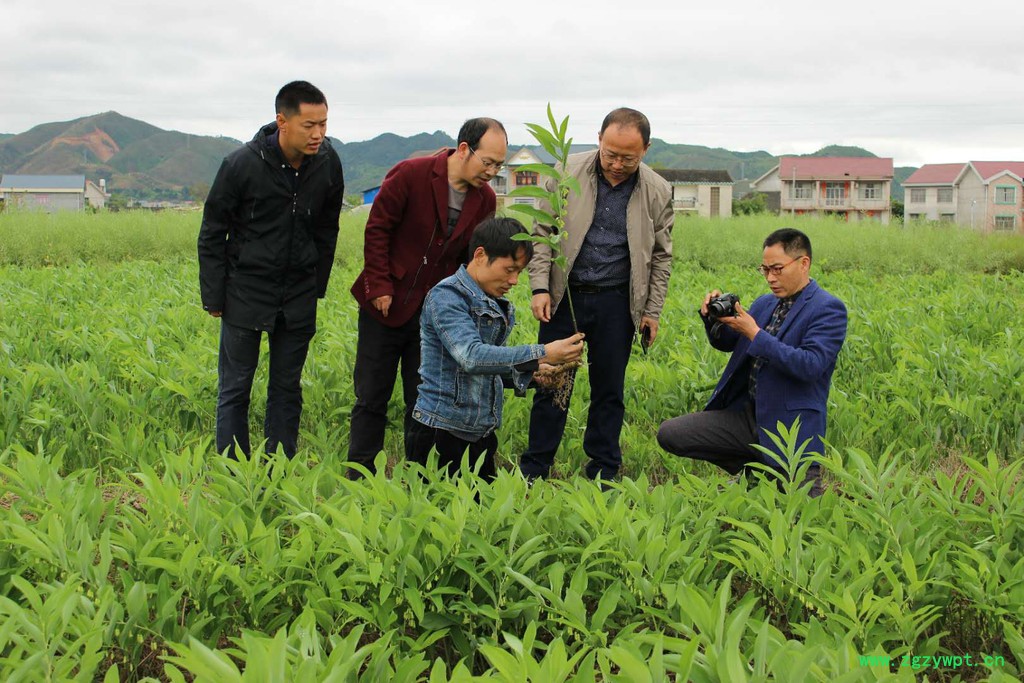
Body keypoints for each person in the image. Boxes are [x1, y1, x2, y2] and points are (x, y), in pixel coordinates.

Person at [519, 108, 674, 481]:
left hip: (617, 301)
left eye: (628, 158)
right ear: (599, 139)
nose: (618, 165)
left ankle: (603, 469)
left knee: (609, 389)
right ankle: (536, 467)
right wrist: (540, 287)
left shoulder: (657, 190)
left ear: (646, 149)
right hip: (565, 297)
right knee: (551, 380)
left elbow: (661, 256)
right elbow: (542, 234)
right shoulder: (565, 172)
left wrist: (651, 311)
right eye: (611, 154)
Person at [348, 118, 507, 475]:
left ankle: (418, 475)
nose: (492, 172)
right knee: (371, 395)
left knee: (423, 397)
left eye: (499, 166)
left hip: (434, 315)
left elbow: (471, 260)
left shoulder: (485, 199)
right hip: (386, 305)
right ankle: (360, 473)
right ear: (464, 149)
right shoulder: (411, 174)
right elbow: (378, 230)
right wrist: (380, 285)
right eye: (488, 162)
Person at [197, 81, 344, 458]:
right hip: (246, 289)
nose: (318, 134)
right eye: (309, 125)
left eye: (323, 124)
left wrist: (316, 285)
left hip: (298, 293)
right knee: (235, 387)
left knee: (286, 387)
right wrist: (214, 295)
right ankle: (234, 471)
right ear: (282, 121)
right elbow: (212, 230)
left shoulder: (328, 162)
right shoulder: (241, 164)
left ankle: (280, 467)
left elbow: (328, 227)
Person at [657, 228, 848, 497]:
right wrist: (713, 319)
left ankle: (764, 474)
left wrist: (755, 333)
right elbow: (729, 343)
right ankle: (755, 468)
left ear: (803, 263)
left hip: (790, 428)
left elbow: (810, 365)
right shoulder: (765, 304)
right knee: (671, 433)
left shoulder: (827, 308)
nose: (770, 278)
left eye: (777, 269)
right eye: (765, 269)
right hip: (747, 417)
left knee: (802, 514)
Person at [408, 217, 585, 480]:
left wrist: (532, 374)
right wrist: (542, 353)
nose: (514, 281)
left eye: (519, 272)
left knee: (481, 506)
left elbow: (488, 368)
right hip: (441, 431)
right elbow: (472, 357)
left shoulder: (493, 303)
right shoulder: (446, 297)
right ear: (480, 255)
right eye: (509, 269)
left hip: (480, 432)